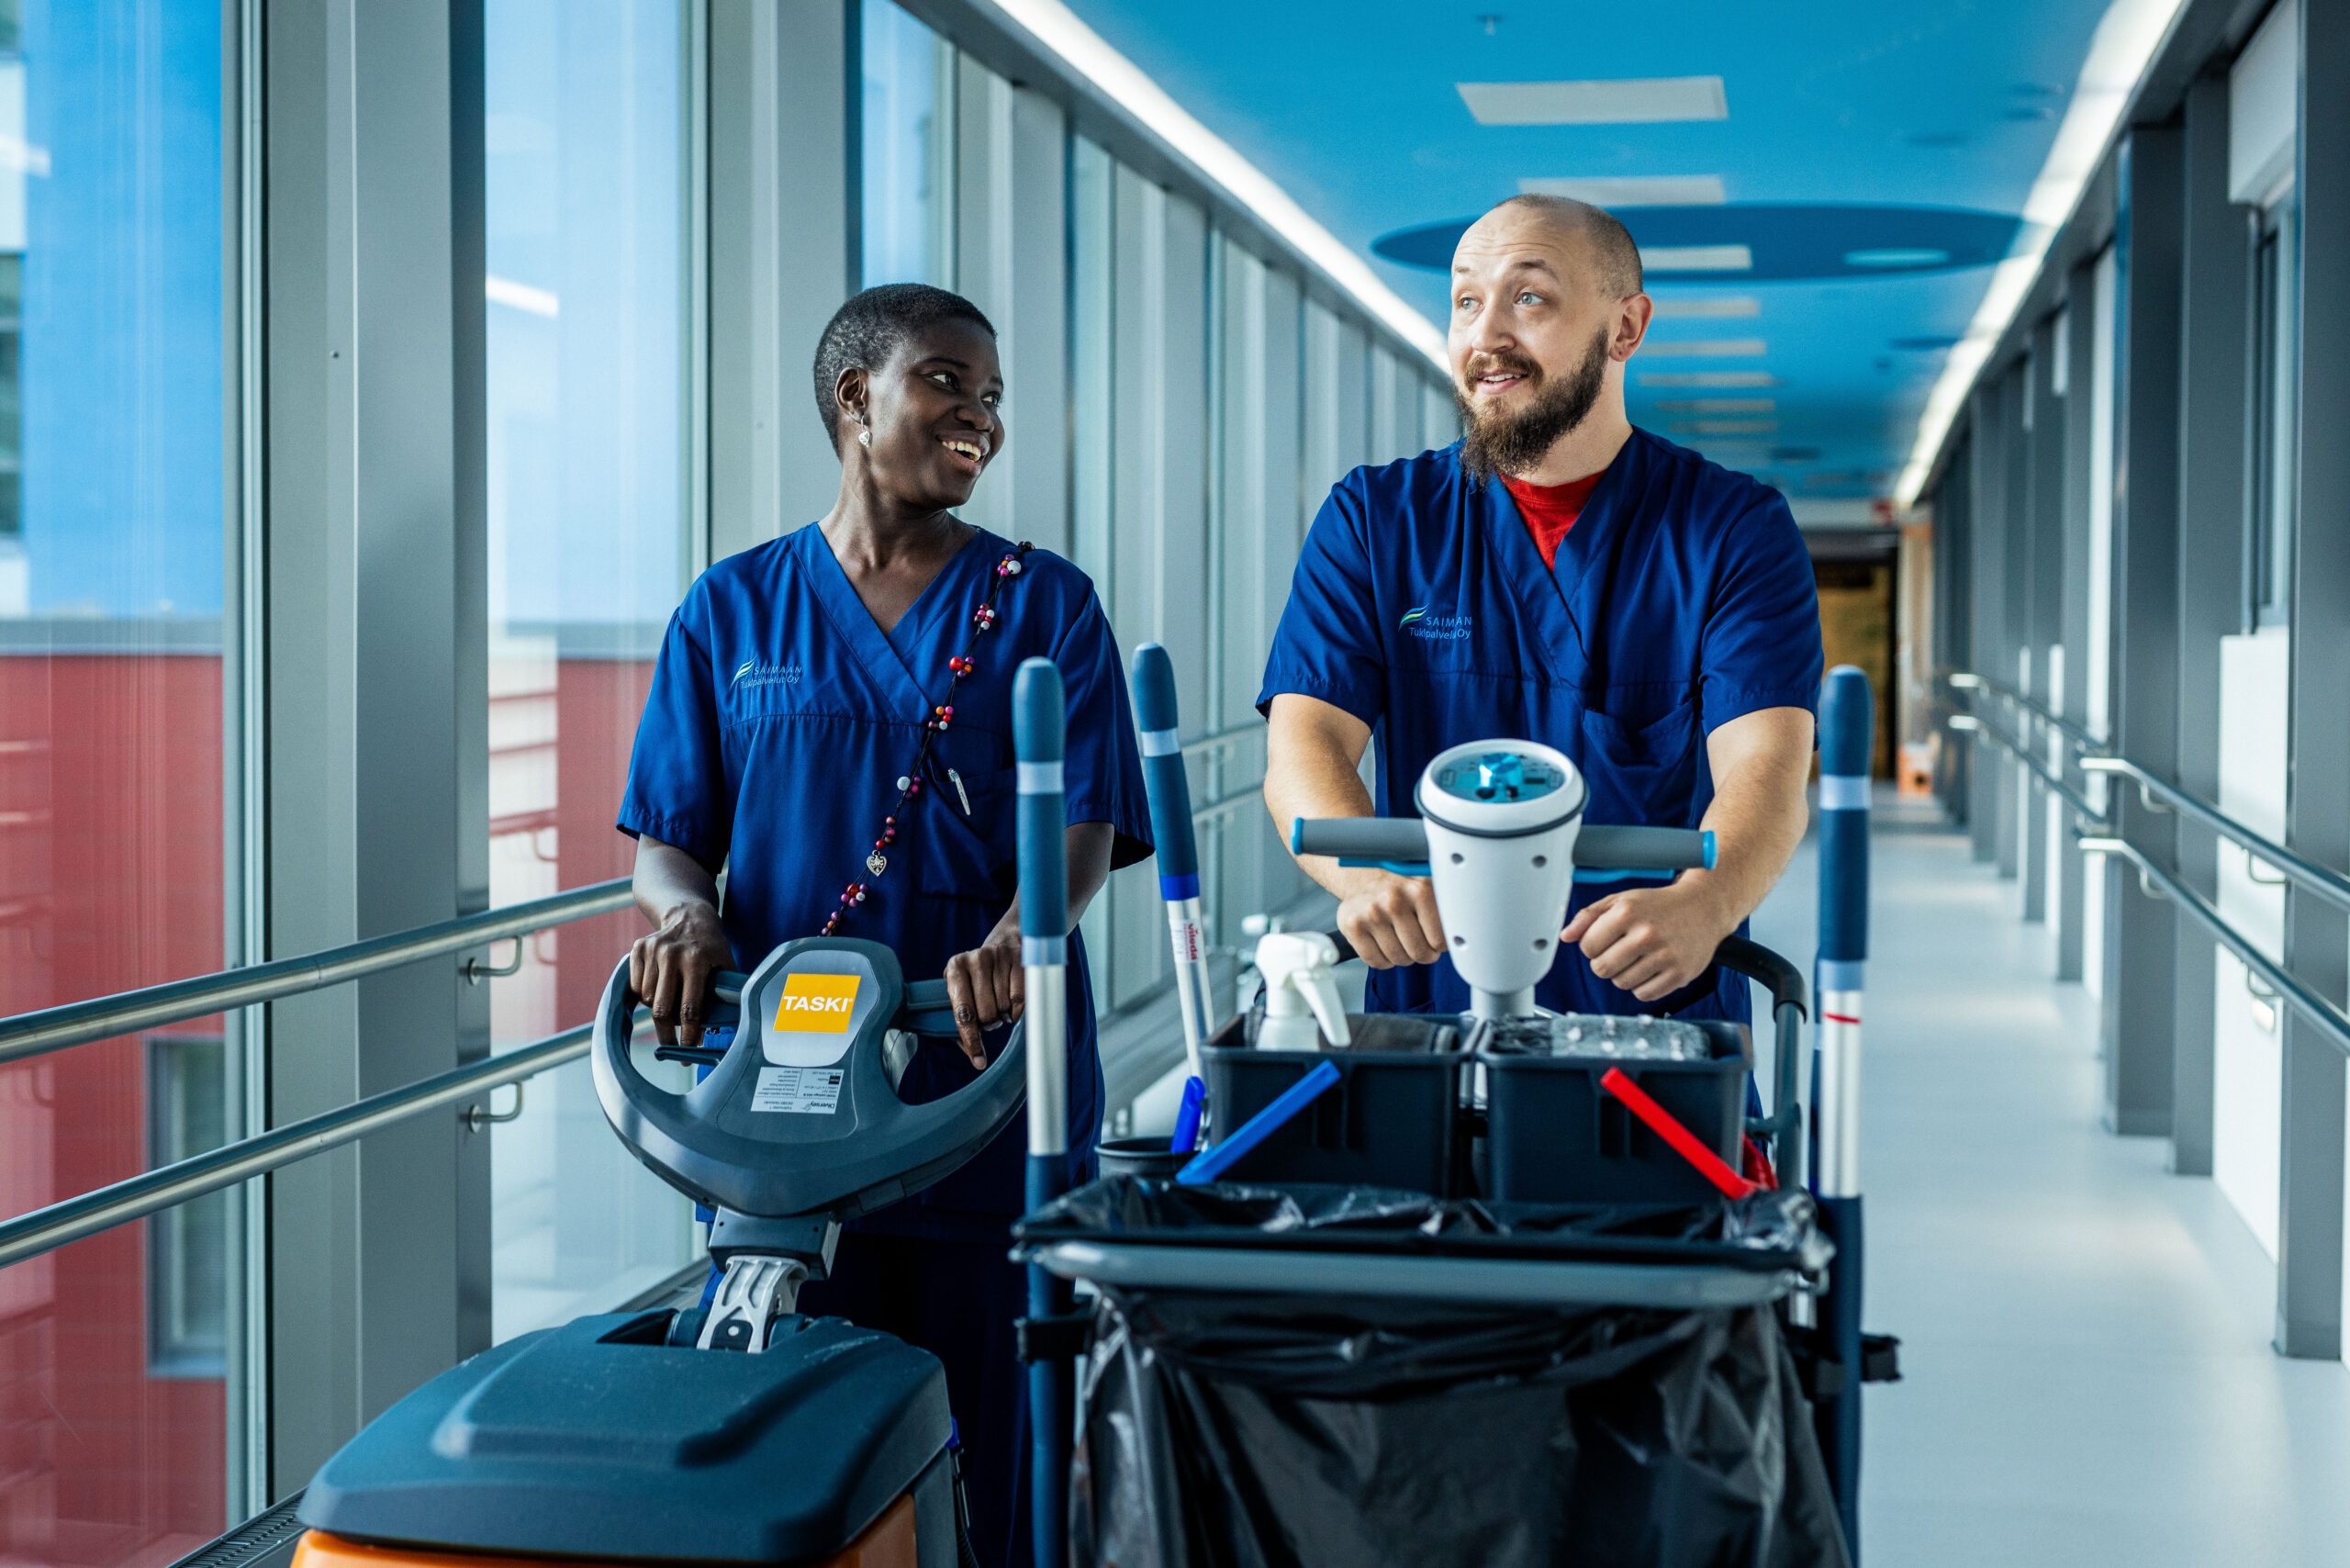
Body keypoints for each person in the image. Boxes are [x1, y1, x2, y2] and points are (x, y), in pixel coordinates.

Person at [617, 283, 1150, 1567]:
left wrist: (1021, 934)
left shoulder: (1046, 605)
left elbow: (1084, 825)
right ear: (857, 397)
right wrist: (682, 920)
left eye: (993, 397)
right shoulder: (732, 608)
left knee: (993, 1439)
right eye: (948, 383)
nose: (982, 417)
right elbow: (670, 838)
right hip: (786, 1105)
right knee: (793, 1434)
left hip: (986, 1082)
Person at [1260, 195, 1820, 1025]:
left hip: (1651, 1021)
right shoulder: (1376, 521)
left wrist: (1706, 901)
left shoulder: (1732, 530)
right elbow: (1304, 741)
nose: (1485, 335)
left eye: (1529, 297)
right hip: (1436, 1009)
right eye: (1465, 300)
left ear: (1625, 328)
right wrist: (1367, 879)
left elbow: (1767, 769)